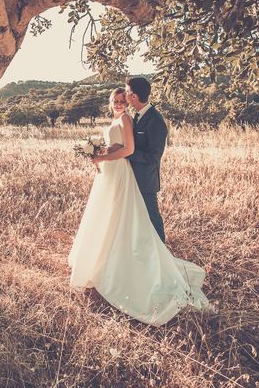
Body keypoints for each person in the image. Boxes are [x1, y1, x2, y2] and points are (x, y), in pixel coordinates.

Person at [68, 87, 209, 326]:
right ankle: (100, 256)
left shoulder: (125, 119)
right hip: (110, 172)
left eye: (124, 100)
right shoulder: (120, 118)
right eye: (117, 100)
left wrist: (102, 156)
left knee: (124, 217)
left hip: (120, 171)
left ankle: (135, 260)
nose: (121, 103)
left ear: (130, 100)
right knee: (109, 216)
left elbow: (129, 150)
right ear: (110, 101)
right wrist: (100, 152)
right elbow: (118, 146)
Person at [125, 77, 167, 242]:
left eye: (128, 92)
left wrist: (126, 152)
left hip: (146, 180)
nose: (126, 96)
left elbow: (153, 157)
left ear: (134, 96)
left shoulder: (156, 121)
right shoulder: (136, 116)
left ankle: (162, 252)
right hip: (131, 177)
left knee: (152, 216)